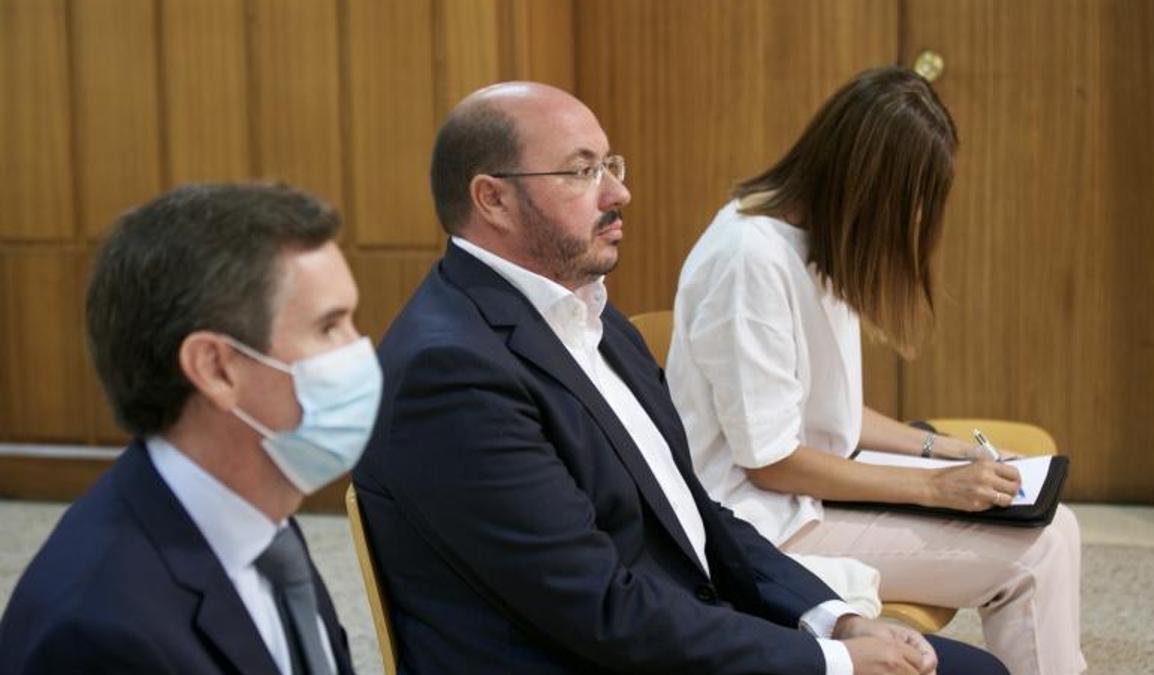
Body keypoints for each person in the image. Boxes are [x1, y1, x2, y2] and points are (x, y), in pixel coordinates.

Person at [353, 80, 1006, 674]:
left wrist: (836, 617)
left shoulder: (590, 316)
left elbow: (694, 511)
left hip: (675, 621)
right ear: (492, 198)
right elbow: (599, 610)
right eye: (582, 171)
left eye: (612, 164)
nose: (618, 193)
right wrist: (831, 661)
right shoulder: (452, 372)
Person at [666, 67, 1084, 675]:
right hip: (758, 520)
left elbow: (827, 411)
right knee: (1038, 551)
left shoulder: (812, 240)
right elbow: (770, 459)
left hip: (806, 492)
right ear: (866, 188)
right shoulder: (750, 260)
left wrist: (946, 452)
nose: (914, 222)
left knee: (1054, 524)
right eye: (912, 204)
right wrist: (935, 489)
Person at [0, 183, 377, 674]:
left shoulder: (262, 521)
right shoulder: (98, 635)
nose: (360, 348)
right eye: (330, 327)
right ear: (216, 369)